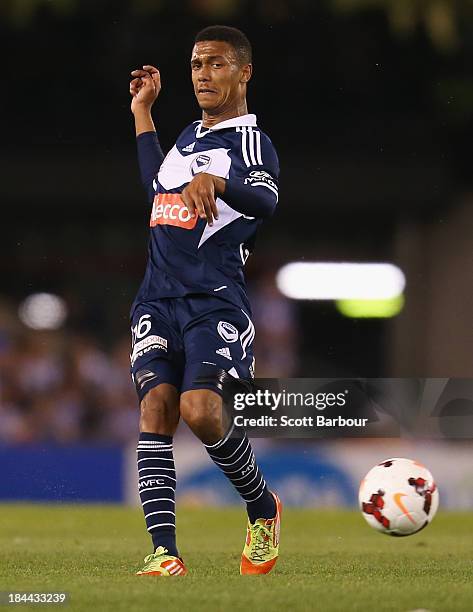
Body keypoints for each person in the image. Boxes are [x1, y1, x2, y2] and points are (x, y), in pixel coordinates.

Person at [129, 25, 281, 576]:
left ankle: (263, 508)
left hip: (214, 302)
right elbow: (158, 187)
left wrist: (219, 185)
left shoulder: (248, 141)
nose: (201, 74)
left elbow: (265, 200)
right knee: (155, 408)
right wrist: (143, 113)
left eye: (216, 64)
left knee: (199, 411)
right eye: (196, 64)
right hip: (156, 299)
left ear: (244, 73)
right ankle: (164, 552)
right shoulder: (189, 137)